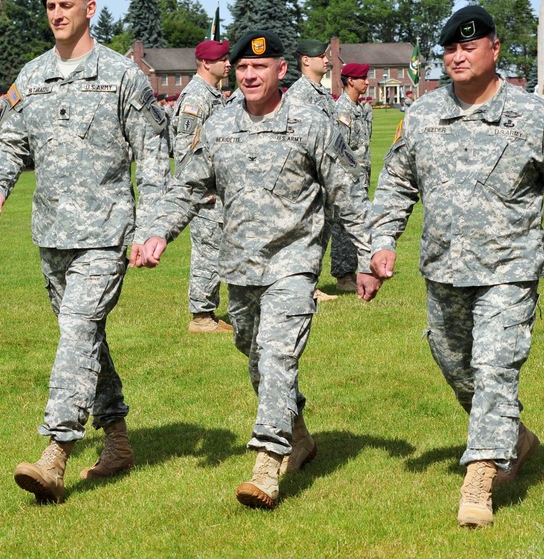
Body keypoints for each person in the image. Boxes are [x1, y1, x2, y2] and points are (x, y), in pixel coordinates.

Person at [363, 5, 544, 528]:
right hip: (443, 268)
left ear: (494, 49)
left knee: (496, 368)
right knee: (457, 366)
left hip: (508, 270)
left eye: (468, 47)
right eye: (449, 49)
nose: (457, 57)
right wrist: (381, 241)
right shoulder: (424, 115)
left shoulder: (531, 116)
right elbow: (396, 184)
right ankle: (514, 438)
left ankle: (480, 477)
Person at [140, 30, 374, 510]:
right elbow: (188, 186)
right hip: (240, 266)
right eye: (242, 67)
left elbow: (347, 194)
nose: (249, 75)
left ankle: (267, 463)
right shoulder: (221, 125)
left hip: (293, 263)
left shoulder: (310, 123)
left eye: (259, 68)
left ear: (280, 71)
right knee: (253, 351)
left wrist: (369, 257)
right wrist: (159, 231)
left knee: (275, 357)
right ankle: (300, 434)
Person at [0, 0, 169, 504]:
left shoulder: (120, 76)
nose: (58, 14)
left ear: (90, 9)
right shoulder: (34, 76)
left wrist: (152, 226)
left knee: (77, 327)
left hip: (105, 233)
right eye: (50, 6)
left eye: (68, 4)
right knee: (83, 336)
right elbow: (8, 141)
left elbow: (153, 156)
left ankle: (55, 452)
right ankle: (117, 441)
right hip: (51, 233)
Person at [168, 39, 233, 333]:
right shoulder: (196, 98)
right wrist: (200, 191)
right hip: (205, 192)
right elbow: (184, 151)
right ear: (206, 63)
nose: (228, 64)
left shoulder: (213, 95)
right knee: (208, 251)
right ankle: (201, 316)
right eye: (223, 59)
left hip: (219, 190)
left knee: (220, 249)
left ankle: (215, 312)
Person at [286, 38, 340, 302]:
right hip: (309, 176)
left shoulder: (319, 92)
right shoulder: (300, 93)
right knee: (307, 232)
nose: (327, 60)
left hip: (324, 174)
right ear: (306, 60)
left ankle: (312, 283)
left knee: (321, 231)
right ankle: (305, 286)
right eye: (322, 56)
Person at [330, 63, 372, 292]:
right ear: (350, 81)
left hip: (360, 178)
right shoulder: (343, 110)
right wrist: (354, 174)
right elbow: (340, 148)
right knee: (343, 228)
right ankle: (343, 275)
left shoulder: (358, 108)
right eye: (362, 78)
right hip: (347, 179)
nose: (367, 82)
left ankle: (353, 271)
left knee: (358, 225)